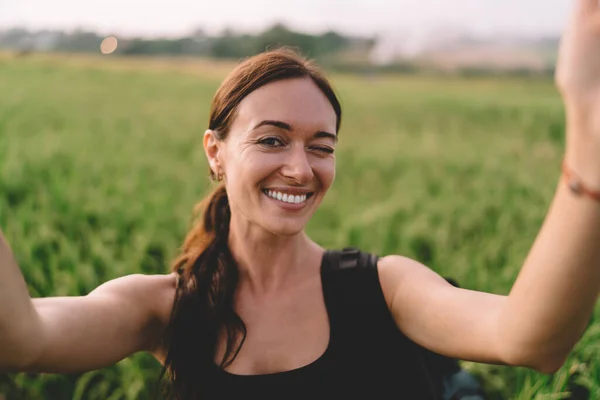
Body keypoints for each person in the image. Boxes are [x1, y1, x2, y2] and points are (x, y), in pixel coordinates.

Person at [2, 1, 600, 399]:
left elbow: (532, 342)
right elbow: (23, 340)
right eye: (271, 139)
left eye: (322, 146)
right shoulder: (166, 307)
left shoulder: (382, 288)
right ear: (215, 151)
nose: (300, 167)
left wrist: (588, 139)